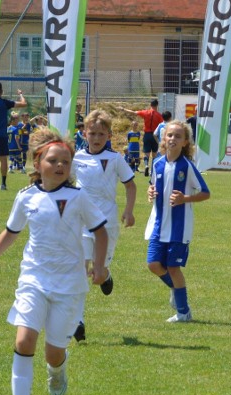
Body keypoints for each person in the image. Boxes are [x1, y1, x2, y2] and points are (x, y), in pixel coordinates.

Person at [0, 128, 109, 395]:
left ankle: (58, 369)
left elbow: (100, 232)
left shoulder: (78, 198)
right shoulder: (26, 198)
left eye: (66, 161)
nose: (61, 166)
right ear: (37, 163)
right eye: (53, 160)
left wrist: (99, 267)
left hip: (70, 286)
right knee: (23, 342)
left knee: (52, 352)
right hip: (33, 278)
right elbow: (11, 232)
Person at [71, 110, 138, 341]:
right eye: (92, 133)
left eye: (101, 134)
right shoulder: (76, 158)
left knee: (97, 275)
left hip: (107, 225)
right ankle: (78, 320)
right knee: (80, 270)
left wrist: (128, 211)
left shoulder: (115, 159)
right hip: (81, 223)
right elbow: (64, 182)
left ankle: (106, 275)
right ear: (84, 133)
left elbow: (131, 186)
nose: (96, 138)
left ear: (109, 135)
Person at [145, 121, 210, 322]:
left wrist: (185, 198)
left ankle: (183, 312)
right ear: (164, 139)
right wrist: (150, 192)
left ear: (185, 142)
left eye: (178, 136)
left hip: (179, 228)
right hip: (158, 224)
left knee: (174, 268)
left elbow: (205, 193)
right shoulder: (157, 164)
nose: (173, 139)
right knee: (153, 264)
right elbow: (152, 186)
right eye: (170, 135)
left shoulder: (187, 166)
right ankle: (175, 287)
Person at [120, 99, 164, 177]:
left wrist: (123, 109)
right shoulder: (159, 115)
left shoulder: (146, 112)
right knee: (154, 155)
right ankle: (152, 171)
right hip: (155, 135)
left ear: (150, 105)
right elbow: (162, 124)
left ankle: (146, 165)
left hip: (147, 135)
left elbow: (134, 112)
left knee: (146, 154)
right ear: (157, 105)